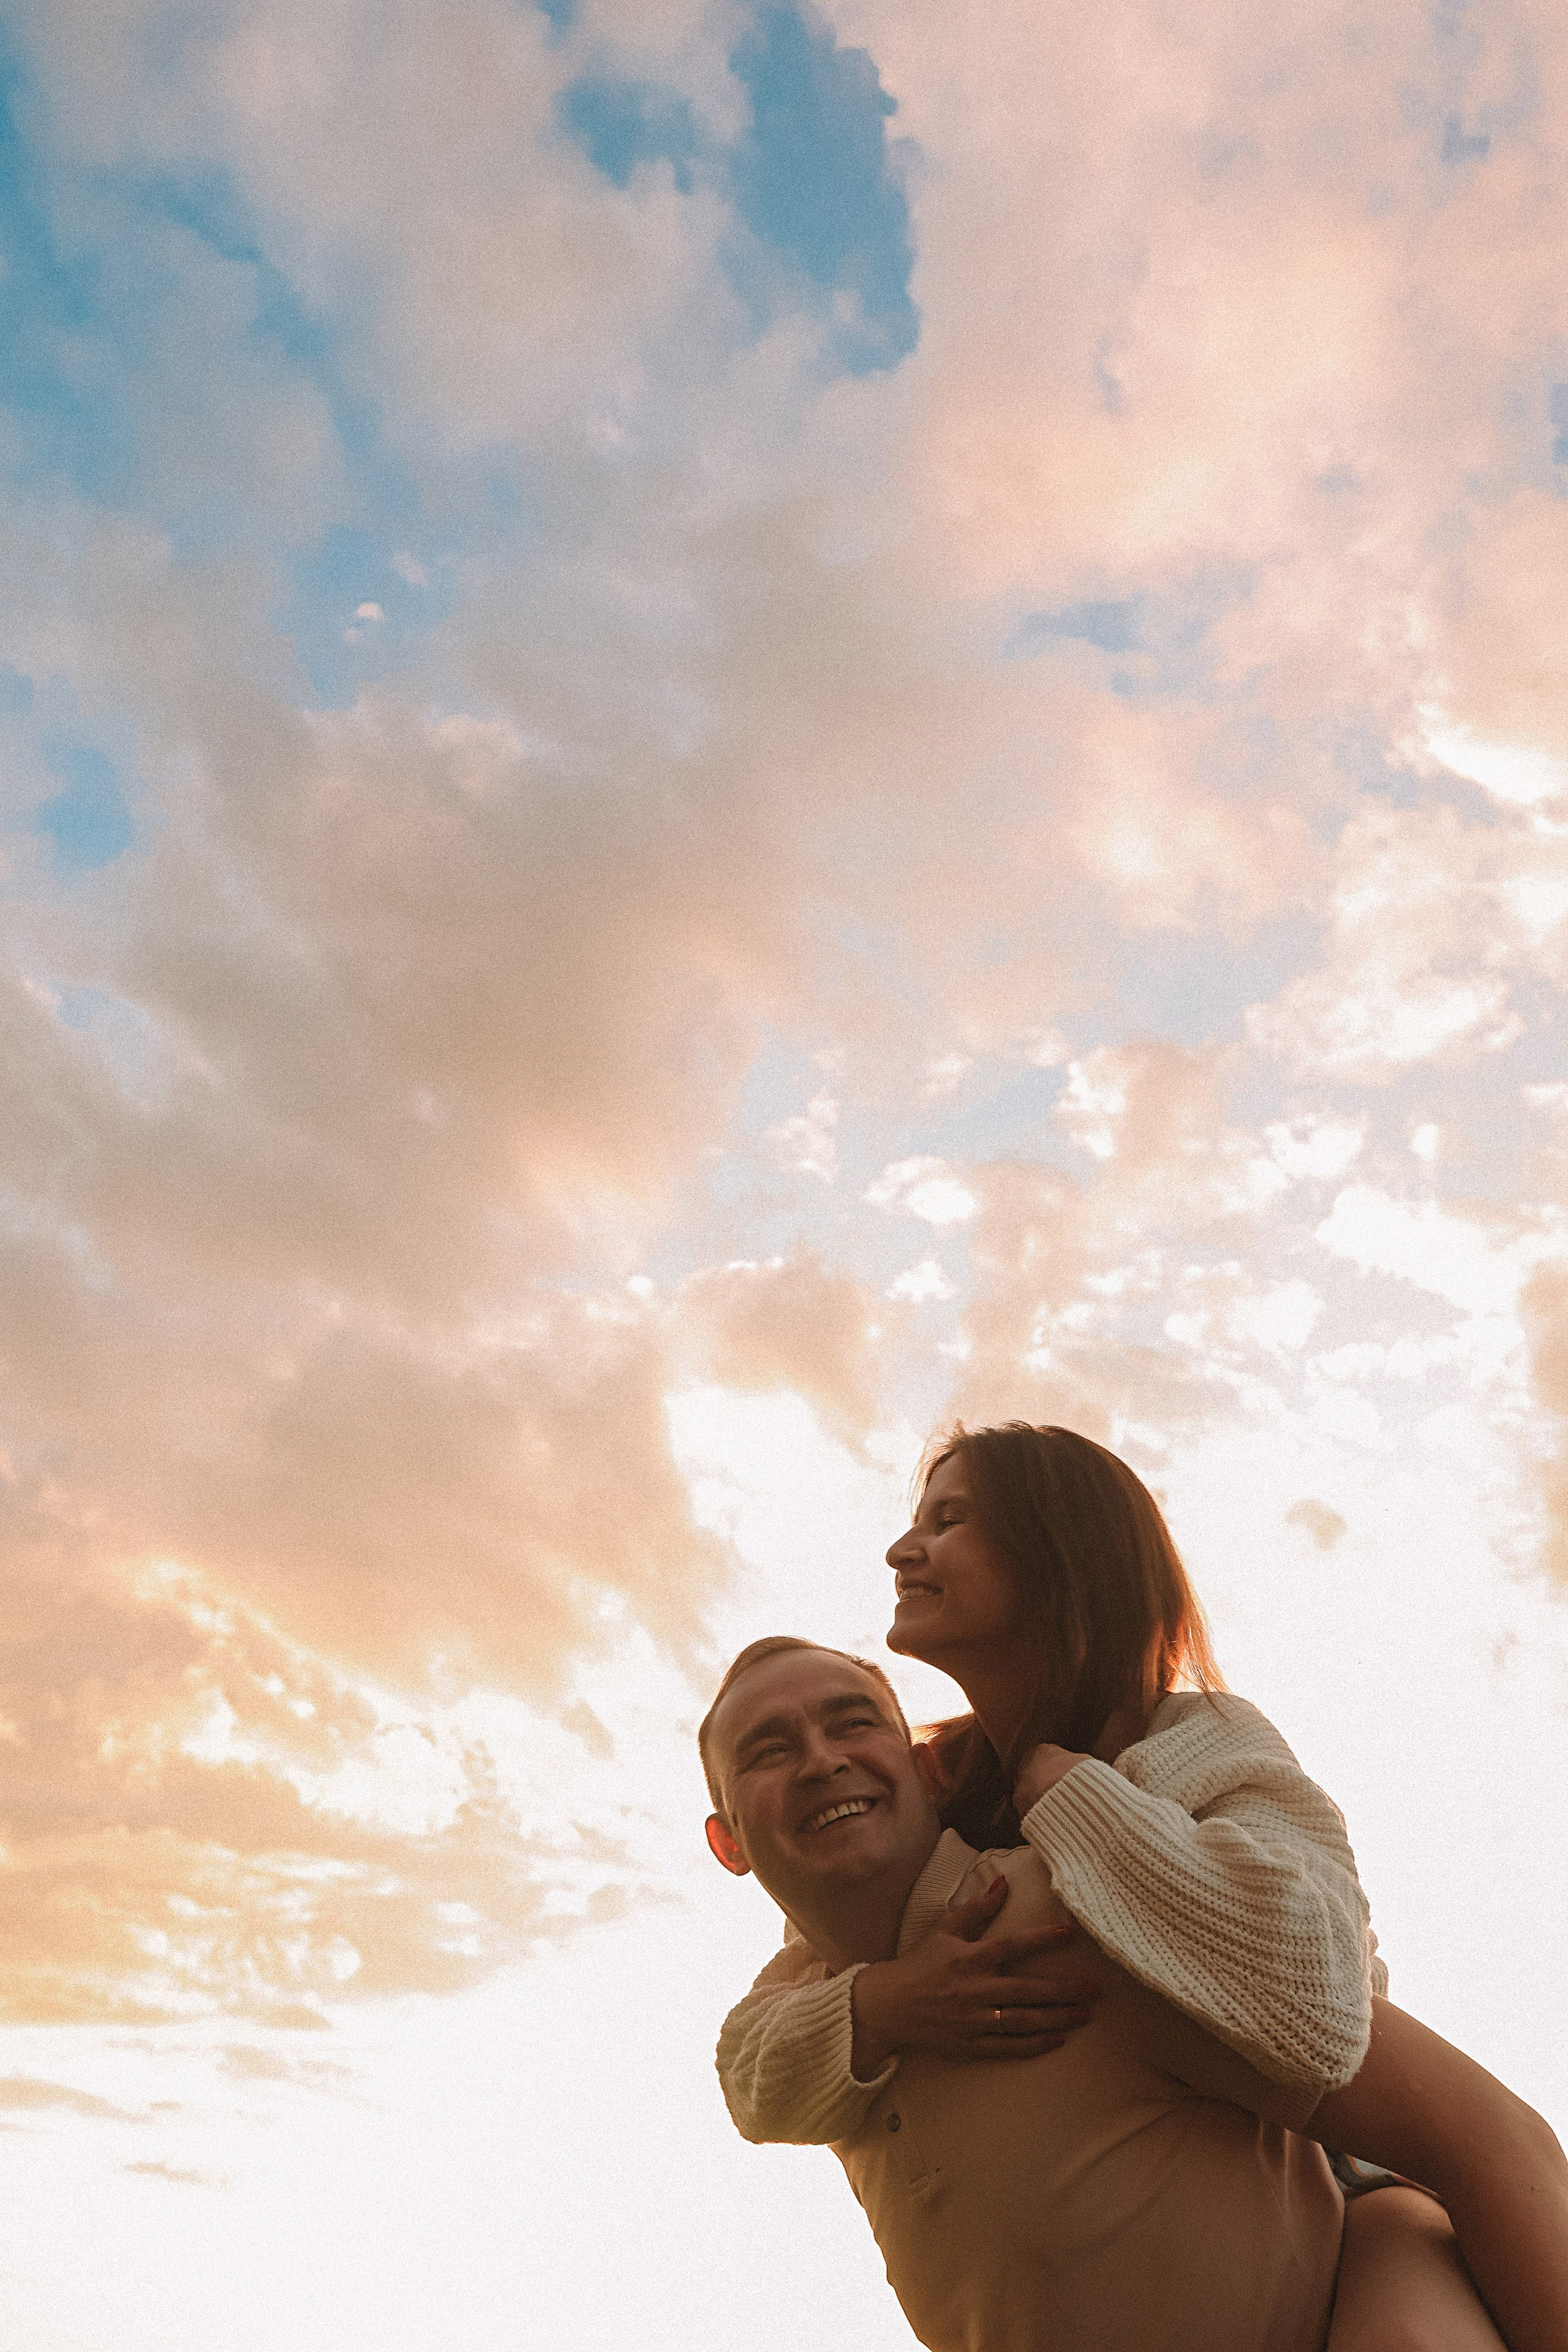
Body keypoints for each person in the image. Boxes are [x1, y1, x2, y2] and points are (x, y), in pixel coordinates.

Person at [708, 1423, 1568, 2349]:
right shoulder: (944, 1797)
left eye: (950, 1520)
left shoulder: (1203, 1744)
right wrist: (877, 2005)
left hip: (1351, 2169)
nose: (902, 1548)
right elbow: (761, 2044)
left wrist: (1076, 1796)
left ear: (1055, 1555)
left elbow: (1324, 2006)